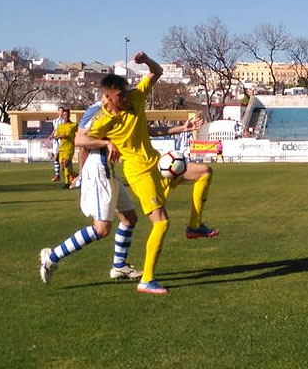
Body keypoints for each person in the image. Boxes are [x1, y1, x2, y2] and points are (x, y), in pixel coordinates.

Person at [72, 51, 219, 295]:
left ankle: (195, 226)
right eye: (119, 96)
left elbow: (157, 72)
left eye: (125, 93)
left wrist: (147, 60)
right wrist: (106, 144)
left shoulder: (136, 97)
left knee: (205, 171)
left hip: (156, 164)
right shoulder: (103, 119)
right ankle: (147, 280)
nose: (124, 99)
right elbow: (80, 139)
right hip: (138, 173)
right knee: (161, 223)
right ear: (107, 97)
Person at [39, 101, 205, 284]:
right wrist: (85, 169)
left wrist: (181, 128)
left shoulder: (120, 110)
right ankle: (51, 258)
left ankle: (119, 266)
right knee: (101, 229)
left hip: (109, 171)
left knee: (129, 218)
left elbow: (144, 132)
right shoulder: (97, 111)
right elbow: (81, 141)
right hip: (98, 171)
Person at [53, 109, 78, 189]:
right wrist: (60, 136)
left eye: (67, 115)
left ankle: (67, 183)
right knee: (64, 167)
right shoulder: (60, 126)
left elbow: (79, 133)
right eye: (64, 115)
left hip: (70, 147)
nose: (66, 116)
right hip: (62, 148)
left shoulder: (74, 125)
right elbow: (56, 136)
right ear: (62, 116)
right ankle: (77, 176)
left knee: (66, 164)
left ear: (69, 115)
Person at [49, 107, 65, 182]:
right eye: (60, 111)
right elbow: (55, 129)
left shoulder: (64, 121)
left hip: (61, 140)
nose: (61, 112)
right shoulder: (55, 120)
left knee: (62, 158)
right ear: (58, 112)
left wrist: (59, 136)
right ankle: (57, 175)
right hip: (55, 141)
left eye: (62, 111)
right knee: (56, 158)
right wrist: (51, 135)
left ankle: (68, 174)